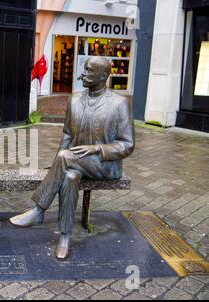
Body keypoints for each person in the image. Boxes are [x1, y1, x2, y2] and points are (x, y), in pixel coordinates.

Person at [10, 56, 135, 260]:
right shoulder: (74, 99)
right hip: (73, 163)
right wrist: (57, 166)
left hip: (104, 165)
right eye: (84, 68)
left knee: (65, 158)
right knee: (69, 178)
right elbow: (67, 135)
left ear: (103, 76)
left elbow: (127, 145)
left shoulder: (119, 103)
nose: (82, 73)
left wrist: (97, 149)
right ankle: (65, 237)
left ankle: (39, 210)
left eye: (89, 70)